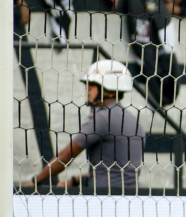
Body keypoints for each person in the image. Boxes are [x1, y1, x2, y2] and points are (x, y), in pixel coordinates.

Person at [30, 60, 145, 192]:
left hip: (103, 198)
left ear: (112, 92)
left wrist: (35, 181)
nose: (87, 88)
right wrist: (74, 181)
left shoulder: (102, 118)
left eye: (93, 84)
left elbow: (65, 156)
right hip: (130, 196)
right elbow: (113, 171)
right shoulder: (134, 120)